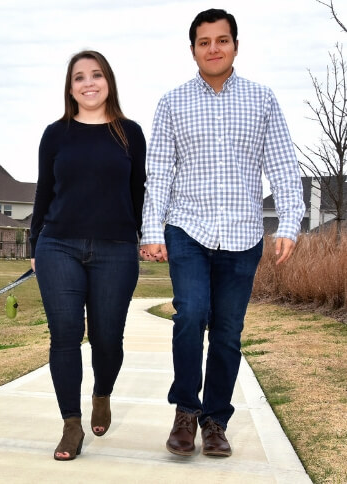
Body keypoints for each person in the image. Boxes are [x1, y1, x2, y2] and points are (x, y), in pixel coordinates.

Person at [140, 8, 305, 457]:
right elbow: (157, 172)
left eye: (222, 40)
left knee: (228, 331)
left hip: (242, 234)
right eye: (204, 42)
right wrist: (152, 229)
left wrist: (289, 222)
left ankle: (215, 421)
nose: (213, 48)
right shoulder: (173, 102)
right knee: (190, 315)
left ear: (235, 44)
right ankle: (185, 413)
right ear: (193, 49)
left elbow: (283, 166)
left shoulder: (262, 99)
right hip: (187, 229)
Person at [30, 50, 146, 461]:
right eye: (79, 77)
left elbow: (138, 194)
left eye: (96, 75)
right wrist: (33, 248)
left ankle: (102, 392)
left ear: (108, 81)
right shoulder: (55, 134)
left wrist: (142, 238)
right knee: (64, 337)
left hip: (116, 249)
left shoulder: (129, 133)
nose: (89, 83)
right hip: (58, 244)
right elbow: (44, 193)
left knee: (107, 338)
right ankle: (71, 425)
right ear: (70, 87)